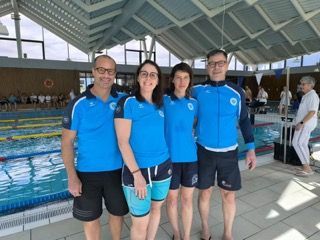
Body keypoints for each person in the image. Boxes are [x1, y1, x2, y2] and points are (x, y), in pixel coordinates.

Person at [61, 55, 128, 240]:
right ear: (93, 71)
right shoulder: (78, 104)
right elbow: (67, 143)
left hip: (117, 171)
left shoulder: (123, 100)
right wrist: (72, 176)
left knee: (117, 213)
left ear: (114, 74)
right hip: (87, 173)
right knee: (91, 218)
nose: (106, 75)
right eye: (101, 70)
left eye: (110, 71)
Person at [192, 49, 256, 240]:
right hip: (204, 151)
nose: (216, 67)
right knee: (204, 194)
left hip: (228, 153)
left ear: (227, 65)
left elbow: (244, 120)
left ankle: (227, 232)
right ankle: (205, 228)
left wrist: (251, 149)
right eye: (212, 63)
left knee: (229, 195)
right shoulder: (197, 91)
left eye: (220, 63)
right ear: (207, 66)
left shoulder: (236, 92)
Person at [114, 60, 172, 240]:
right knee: (140, 222)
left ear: (158, 80)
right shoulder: (127, 102)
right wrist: (137, 174)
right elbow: (123, 142)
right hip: (137, 170)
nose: (148, 78)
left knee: (156, 210)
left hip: (163, 166)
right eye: (144, 73)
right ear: (138, 78)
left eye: (153, 74)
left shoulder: (161, 103)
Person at [164, 62, 198, 240]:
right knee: (172, 200)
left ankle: (186, 236)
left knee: (186, 200)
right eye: (178, 77)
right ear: (172, 80)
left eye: (185, 77)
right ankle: (176, 234)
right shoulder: (163, 101)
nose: (182, 81)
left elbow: (197, 125)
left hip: (190, 158)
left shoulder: (194, 103)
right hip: (169, 159)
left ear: (190, 80)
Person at [293, 76, 319, 177]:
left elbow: (312, 112)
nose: (301, 86)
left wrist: (301, 123)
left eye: (303, 84)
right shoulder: (306, 95)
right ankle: (306, 166)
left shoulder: (313, 96)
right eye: (301, 84)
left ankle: (307, 168)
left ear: (310, 85)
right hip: (304, 123)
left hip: (306, 124)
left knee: (297, 143)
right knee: (302, 144)